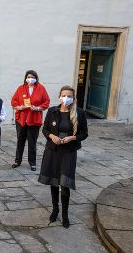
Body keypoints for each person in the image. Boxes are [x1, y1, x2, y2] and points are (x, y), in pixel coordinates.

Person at [38, 85, 88, 228]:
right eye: (64, 95)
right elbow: (45, 129)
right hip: (53, 150)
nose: (66, 98)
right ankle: (55, 209)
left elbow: (84, 133)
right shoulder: (52, 111)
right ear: (59, 96)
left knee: (65, 183)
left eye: (69, 96)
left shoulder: (79, 113)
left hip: (68, 152)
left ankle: (65, 214)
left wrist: (72, 138)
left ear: (73, 98)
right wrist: (52, 136)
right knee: (54, 181)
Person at [11, 70, 50, 171]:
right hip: (21, 119)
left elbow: (46, 102)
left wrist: (37, 108)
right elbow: (13, 101)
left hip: (34, 120)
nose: (30, 79)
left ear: (36, 78)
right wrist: (20, 107)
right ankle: (17, 160)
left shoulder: (41, 89)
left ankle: (32, 162)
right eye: (28, 77)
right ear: (25, 78)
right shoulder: (21, 88)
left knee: (32, 142)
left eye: (33, 77)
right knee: (20, 140)